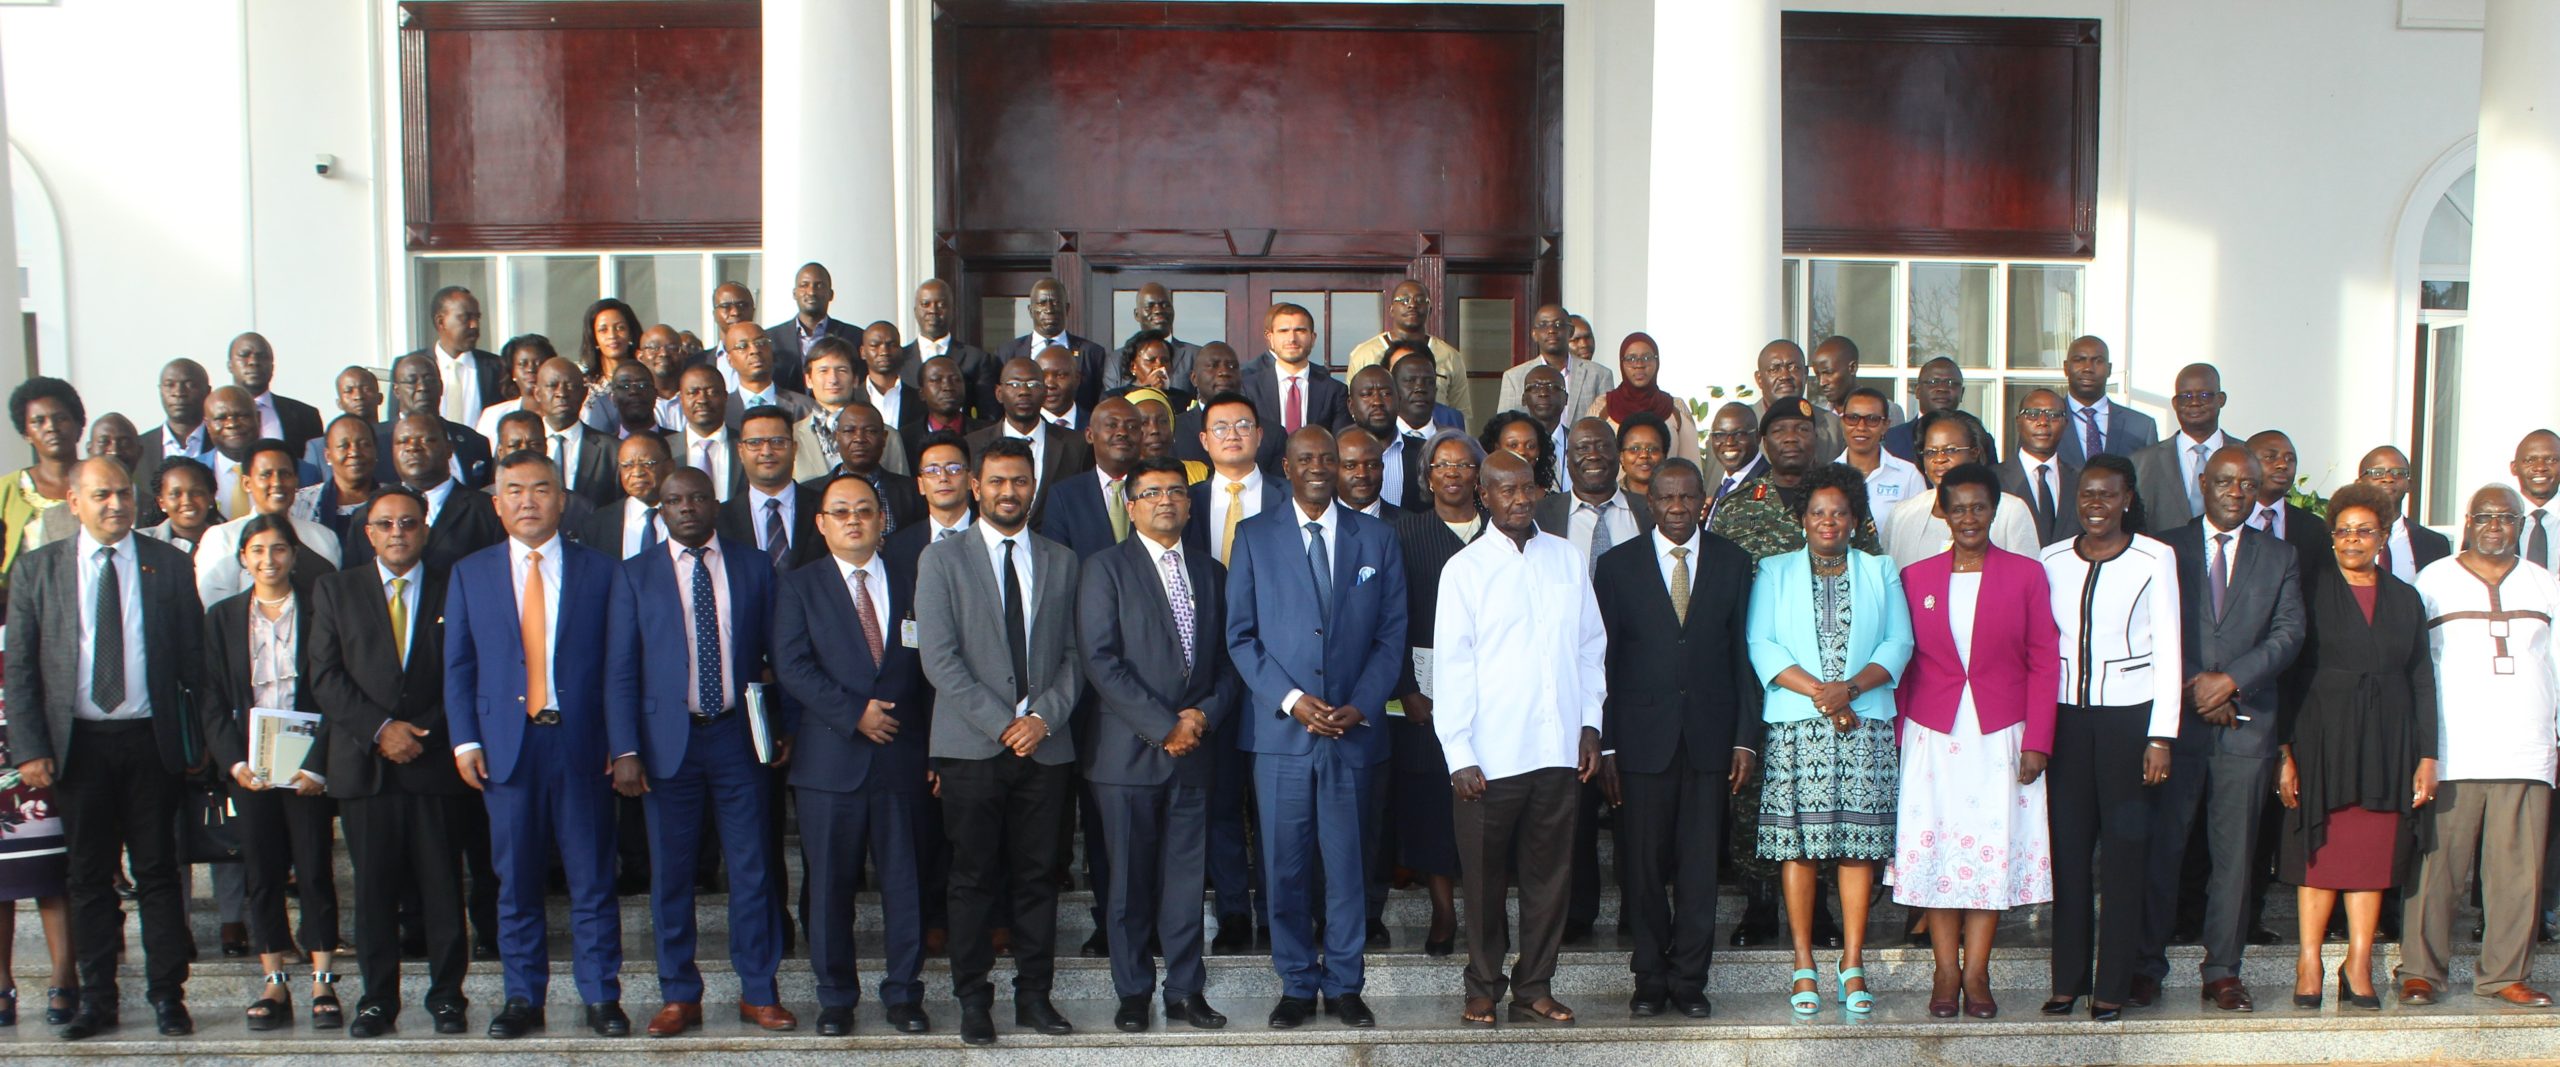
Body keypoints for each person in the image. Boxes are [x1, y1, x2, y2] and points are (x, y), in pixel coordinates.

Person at [5, 457, 206, 1039]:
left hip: (151, 742)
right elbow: (19, 669)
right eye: (101, 495)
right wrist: (29, 749)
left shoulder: (167, 565)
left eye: (123, 494)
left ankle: (170, 996)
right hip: (76, 748)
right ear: (74, 501)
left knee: (159, 873)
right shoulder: (38, 570)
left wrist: (201, 740)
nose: (116, 504)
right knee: (89, 876)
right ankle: (98, 1000)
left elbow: (193, 660)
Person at [444, 453, 636, 1039]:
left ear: (562, 499)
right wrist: (465, 741)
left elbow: (619, 665)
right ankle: (523, 997)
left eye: (540, 489)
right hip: (506, 749)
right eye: (514, 491)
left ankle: (602, 995)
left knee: (593, 879)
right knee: (516, 880)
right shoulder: (470, 573)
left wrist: (624, 744)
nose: (528, 501)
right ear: (496, 502)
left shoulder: (601, 571)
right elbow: (459, 665)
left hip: (581, 746)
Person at [1227, 426, 1407, 1030]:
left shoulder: (1377, 538)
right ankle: (1298, 984)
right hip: (1282, 737)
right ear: (1286, 466)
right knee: (1284, 866)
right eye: (1306, 458)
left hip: (1354, 731)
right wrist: (1293, 699)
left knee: (1349, 864)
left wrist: (1361, 704)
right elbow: (1241, 637)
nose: (1318, 467)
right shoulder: (1253, 537)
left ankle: (1347, 984)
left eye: (1327, 458)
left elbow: (1390, 636)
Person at [603, 468, 794, 1036]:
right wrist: (625, 749)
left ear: (715, 503)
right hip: (667, 747)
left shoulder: (755, 566)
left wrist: (782, 726)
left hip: (738, 739)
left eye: (696, 497)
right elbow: (619, 671)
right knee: (672, 875)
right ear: (660, 510)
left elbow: (780, 655)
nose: (686, 508)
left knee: (753, 869)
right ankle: (680, 994)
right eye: (673, 501)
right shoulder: (635, 575)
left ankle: (758, 990)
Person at [914, 437, 1082, 1044]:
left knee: (1039, 877)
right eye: (998, 482)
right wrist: (1002, 723)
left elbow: (1073, 656)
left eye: (1020, 482)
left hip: (1046, 747)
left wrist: (1042, 718)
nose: (1009, 492)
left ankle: (1035, 997)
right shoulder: (942, 560)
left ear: (1032, 488)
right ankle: (973, 1000)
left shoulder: (1062, 560)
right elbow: (939, 659)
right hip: (971, 748)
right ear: (976, 487)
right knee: (972, 877)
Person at [1432, 450, 1604, 1027]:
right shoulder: (1465, 570)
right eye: (1505, 489)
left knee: (1549, 879)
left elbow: (1589, 647)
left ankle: (1534, 986)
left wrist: (1590, 724)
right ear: (1484, 495)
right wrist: (1458, 752)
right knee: (1481, 880)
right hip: (1489, 756)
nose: (1519, 498)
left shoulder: (1567, 559)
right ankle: (1482, 985)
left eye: (1527, 487)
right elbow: (1451, 666)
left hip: (1557, 751)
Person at [1889, 464, 2061, 1019]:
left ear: (1995, 511)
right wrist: (1898, 739)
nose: (1968, 517)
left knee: (1987, 857)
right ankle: (1944, 972)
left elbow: (2043, 660)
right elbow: (1903, 662)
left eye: (1979, 507)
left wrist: (2038, 739)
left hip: (2001, 735)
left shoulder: (2026, 574)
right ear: (1941, 510)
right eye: (1957, 507)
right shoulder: (1915, 577)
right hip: (1932, 735)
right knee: (1941, 852)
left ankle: (1978, 972)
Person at [2139, 446, 2305, 1013]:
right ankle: (2146, 965)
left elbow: (2288, 635)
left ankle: (2223, 971)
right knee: (2163, 850)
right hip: (2175, 727)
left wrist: (2230, 681)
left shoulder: (2280, 556)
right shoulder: (2163, 547)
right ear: (2205, 482)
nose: (2237, 492)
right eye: (2227, 481)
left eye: (2249, 484)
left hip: (2247, 725)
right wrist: (2197, 686)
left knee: (2234, 859)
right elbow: (2146, 630)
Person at [1075, 456, 1237, 1032]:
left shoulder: (1212, 573)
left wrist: (1201, 716)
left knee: (1187, 881)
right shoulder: (1104, 569)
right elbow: (1101, 660)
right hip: (1126, 755)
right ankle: (1133, 992)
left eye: (1175, 492)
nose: (1164, 501)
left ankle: (1186, 991)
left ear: (1190, 505)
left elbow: (1226, 662)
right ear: (1130, 503)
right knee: (1128, 884)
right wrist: (1163, 723)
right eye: (1151, 493)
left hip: (1195, 753)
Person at [772, 472, 936, 1037]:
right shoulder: (799, 586)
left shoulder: (913, 579)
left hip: (901, 759)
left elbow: (930, 667)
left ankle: (904, 994)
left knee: (905, 884)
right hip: (830, 761)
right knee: (829, 889)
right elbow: (791, 665)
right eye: (840, 511)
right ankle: (836, 998)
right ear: (821, 524)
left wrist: (935, 750)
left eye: (865, 510)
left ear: (881, 520)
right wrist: (853, 712)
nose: (853, 520)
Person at [1710, 399, 1877, 948]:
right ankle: (1759, 904)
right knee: (1756, 792)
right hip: (1761, 673)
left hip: (1836, 679)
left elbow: (1869, 584)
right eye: (1779, 429)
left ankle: (1823, 910)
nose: (1791, 438)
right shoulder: (1738, 506)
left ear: (1816, 435)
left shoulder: (1848, 501)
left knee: (1828, 793)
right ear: (1763, 439)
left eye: (1802, 429)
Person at [1593, 457, 1756, 1019]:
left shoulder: (1735, 563)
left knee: (1699, 867)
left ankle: (1689, 979)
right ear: (1650, 503)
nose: (1679, 508)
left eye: (1689, 497)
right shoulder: (1616, 567)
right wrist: (1607, 744)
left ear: (1703, 499)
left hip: (1711, 741)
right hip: (1639, 742)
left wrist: (1744, 739)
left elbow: (1743, 658)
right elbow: (1603, 661)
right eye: (1667, 498)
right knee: (1640, 866)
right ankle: (1649, 977)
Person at [1745, 463, 1910, 1015]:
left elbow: (1899, 643)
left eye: (1839, 512)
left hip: (1865, 727)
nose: (1829, 521)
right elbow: (1761, 644)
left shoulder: (1880, 569)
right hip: (1799, 730)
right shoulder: (1774, 570)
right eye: (1818, 512)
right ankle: (1803, 962)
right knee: (1799, 846)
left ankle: (1854, 961)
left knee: (1857, 848)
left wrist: (1852, 689)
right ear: (1802, 518)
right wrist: (1823, 694)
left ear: (1855, 517)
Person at [307, 486, 471, 1037]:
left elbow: (468, 668)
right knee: (373, 893)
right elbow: (325, 677)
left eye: (408, 523)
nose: (397, 533)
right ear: (368, 532)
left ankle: (448, 997)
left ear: (424, 529)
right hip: (365, 765)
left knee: (443, 889)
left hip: (434, 761)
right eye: (385, 524)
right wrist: (381, 730)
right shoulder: (335, 589)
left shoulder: (457, 585)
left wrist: (423, 730)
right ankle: (377, 1000)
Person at [2276, 481, 2436, 1011]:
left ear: (2384, 536)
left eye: (2364, 531)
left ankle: (2360, 961)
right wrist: (2286, 751)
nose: (2352, 539)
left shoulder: (2405, 597)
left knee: (2370, 851)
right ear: (2332, 537)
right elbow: (2290, 674)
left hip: (2389, 739)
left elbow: (2420, 678)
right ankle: (2309, 960)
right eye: (2343, 530)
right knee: (2321, 852)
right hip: (2321, 734)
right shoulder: (2309, 588)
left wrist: (2427, 756)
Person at [2398, 485, 2558, 1007]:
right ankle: (2422, 970)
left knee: (2518, 872)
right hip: (2452, 747)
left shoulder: (2544, 584)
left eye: (2506, 517)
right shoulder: (2434, 580)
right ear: (2467, 522)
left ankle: (2503, 974)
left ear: (2519, 525)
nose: (2495, 525)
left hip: (2527, 747)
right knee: (2436, 866)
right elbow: (2416, 667)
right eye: (2484, 516)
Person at [2038, 453, 2182, 1021]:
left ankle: (2113, 985)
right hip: (2066, 720)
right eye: (2087, 495)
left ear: (2127, 499)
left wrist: (2161, 735)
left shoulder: (2154, 557)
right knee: (2069, 854)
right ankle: (2067, 981)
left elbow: (2171, 647)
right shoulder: (2051, 559)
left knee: (2124, 856)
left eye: (2108, 495)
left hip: (2130, 720)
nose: (2096, 505)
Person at [198, 515, 342, 1031]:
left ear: (294, 555)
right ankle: (274, 980)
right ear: (242, 557)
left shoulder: (320, 608)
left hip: (307, 763)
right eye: (257, 550)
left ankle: (324, 978)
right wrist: (234, 763)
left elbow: (332, 688)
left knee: (314, 868)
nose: (268, 560)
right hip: (251, 764)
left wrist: (321, 765)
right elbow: (212, 699)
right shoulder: (221, 618)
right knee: (261, 873)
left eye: (279, 549)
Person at [1383, 430, 1486, 961]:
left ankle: (1483, 911)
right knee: (1429, 800)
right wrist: (1405, 688)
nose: (1453, 473)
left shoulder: (1504, 529)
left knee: (1486, 796)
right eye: (1442, 465)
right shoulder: (1405, 532)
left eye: (1465, 465)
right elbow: (1389, 617)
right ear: (1426, 478)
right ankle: (1444, 910)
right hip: (1423, 691)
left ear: (1480, 477)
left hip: (1494, 692)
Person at [1881, 409, 2041, 569]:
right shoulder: (1902, 513)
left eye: (1950, 450)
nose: (1939, 459)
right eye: (1930, 452)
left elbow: (2027, 576)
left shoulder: (2010, 510)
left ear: (1974, 453)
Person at [194, 438, 342, 606]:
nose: (277, 483)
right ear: (247, 483)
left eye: (285, 474)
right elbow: (217, 610)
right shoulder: (222, 537)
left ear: (296, 480)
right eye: (266, 475)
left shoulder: (324, 537)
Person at [967, 356, 1097, 525]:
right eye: (1014, 384)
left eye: (1033, 385)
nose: (1024, 391)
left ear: (1045, 392)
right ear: (999, 393)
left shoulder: (1077, 444)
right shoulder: (973, 444)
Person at [1240, 303, 1348, 473]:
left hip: (1317, 480)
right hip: (1264, 483)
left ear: (1313, 338)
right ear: (1270, 338)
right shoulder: (1248, 388)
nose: (1292, 338)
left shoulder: (1334, 390)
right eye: (1283, 331)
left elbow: (1341, 445)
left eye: (1300, 330)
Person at [1346, 280, 1470, 427]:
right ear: (1391, 309)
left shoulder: (1450, 356)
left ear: (1430, 309)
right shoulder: (1363, 354)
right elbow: (1354, 407)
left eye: (1420, 300)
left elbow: (1459, 411)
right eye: (1404, 300)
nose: (1412, 305)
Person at [2, 378, 87, 590]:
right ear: (25, 433)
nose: (51, 428)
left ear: (78, 425)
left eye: (61, 418)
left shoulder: (102, 481)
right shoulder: (7, 489)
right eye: (38, 421)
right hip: (21, 604)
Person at [2130, 363, 2232, 535]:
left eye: (2204, 395)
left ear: (2221, 399)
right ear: (2175, 403)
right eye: (2186, 397)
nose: (2194, 403)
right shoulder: (2141, 462)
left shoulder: (2247, 456)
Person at [715, 406, 824, 569]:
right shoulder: (720, 518)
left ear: (794, 449)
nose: (766, 451)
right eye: (755, 443)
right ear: (740, 451)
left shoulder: (823, 507)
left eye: (778, 442)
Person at [1039, 396, 1144, 559]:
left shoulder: (1158, 492)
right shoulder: (1064, 496)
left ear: (1142, 436)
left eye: (1132, 426)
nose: (1123, 432)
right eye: (1111, 425)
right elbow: (1057, 564)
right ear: (1089, 435)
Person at [377, 352, 496, 490]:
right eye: (412, 381)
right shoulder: (376, 440)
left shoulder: (474, 441)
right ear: (396, 391)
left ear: (441, 387)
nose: (422, 387)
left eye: (429, 380)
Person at [996, 278, 1111, 414]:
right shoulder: (1007, 353)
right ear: (1030, 310)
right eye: (1042, 303)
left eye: (1056, 303)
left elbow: (1099, 401)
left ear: (1067, 309)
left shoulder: (1091, 352)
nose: (1049, 309)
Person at [900, 279, 1001, 422]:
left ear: (953, 310)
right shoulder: (900, 359)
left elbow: (989, 415)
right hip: (911, 441)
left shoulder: (976, 359)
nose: (933, 310)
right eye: (925, 304)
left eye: (941, 304)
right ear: (915, 311)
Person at [530, 358, 621, 509]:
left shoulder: (611, 450)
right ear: (537, 393)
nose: (562, 393)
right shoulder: (524, 446)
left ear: (584, 393)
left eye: (570, 386)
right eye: (552, 386)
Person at [2056, 336, 2159, 467]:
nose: (2088, 368)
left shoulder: (2141, 427)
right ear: (2066, 368)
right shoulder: (2044, 421)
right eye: (2079, 360)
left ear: (2109, 369)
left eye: (2097, 361)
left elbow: (2150, 480)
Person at [1497, 304, 1615, 418]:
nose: (1551, 330)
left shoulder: (1599, 375)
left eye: (1558, 324)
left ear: (1571, 331)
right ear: (1534, 334)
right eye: (1543, 325)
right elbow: (1505, 426)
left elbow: (1606, 427)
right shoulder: (1513, 377)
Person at [2355, 445, 2452, 582]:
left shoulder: (2435, 544)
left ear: (2409, 485)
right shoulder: (2341, 539)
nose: (2388, 478)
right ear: (2359, 484)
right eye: (2377, 473)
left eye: (2398, 473)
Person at [412, 286, 503, 430]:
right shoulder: (411, 366)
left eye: (477, 318)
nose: (474, 325)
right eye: (465, 318)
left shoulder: (496, 367)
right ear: (441, 322)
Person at [224, 332, 327, 459]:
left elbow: (316, 470)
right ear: (229, 366)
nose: (254, 361)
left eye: (262, 356)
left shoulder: (305, 416)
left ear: (272, 366)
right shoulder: (211, 416)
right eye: (244, 355)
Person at [2001, 388, 2082, 546]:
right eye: (2032, 414)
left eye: (2053, 415)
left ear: (2066, 424)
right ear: (2018, 421)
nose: (2043, 421)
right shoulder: (1993, 479)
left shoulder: (2081, 480)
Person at [762, 262, 853, 396]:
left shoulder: (853, 336)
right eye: (804, 285)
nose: (811, 292)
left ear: (831, 294)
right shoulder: (770, 338)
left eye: (819, 285)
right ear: (794, 293)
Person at [1838, 387, 1925, 524]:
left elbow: (1917, 530)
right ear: (1842, 422)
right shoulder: (1827, 475)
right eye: (1852, 418)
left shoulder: (1909, 476)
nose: (1861, 427)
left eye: (1872, 419)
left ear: (1885, 425)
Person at [579, 432, 672, 558]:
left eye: (647, 464)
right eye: (627, 466)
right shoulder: (596, 525)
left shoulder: (689, 515)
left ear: (670, 466)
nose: (637, 473)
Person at [1883, 358, 1995, 462]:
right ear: (1918, 391)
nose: (1942, 388)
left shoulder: (1980, 439)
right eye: (1933, 382)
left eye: (1951, 383)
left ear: (1962, 393)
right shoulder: (1892, 438)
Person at [135, 358, 216, 501]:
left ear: (208, 391)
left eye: (189, 384)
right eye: (170, 385)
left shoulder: (222, 444)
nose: (179, 392)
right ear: (160, 390)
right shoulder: (139, 449)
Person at [1752, 340, 1844, 464]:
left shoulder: (1834, 426)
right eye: (1774, 369)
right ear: (1759, 379)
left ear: (1805, 374)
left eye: (1793, 367)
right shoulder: (1742, 424)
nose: (1785, 376)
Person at [1108, 284, 1205, 401]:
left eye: (1165, 305)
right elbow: (1110, 407)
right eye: (1150, 306)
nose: (1158, 310)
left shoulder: (1196, 354)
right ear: (1137, 314)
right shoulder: (1114, 360)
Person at [719, 321, 817, 434]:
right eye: (742, 346)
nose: (754, 350)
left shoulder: (806, 407)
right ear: (729, 360)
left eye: (760, 343)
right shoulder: (721, 411)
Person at [300, 415, 382, 543]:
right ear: (327, 456)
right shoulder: (301, 503)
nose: (354, 452)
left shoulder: (395, 499)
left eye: (364, 444)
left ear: (375, 451)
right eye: (344, 446)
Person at [673, 364, 739, 503]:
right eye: (693, 392)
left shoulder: (745, 444)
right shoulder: (666, 450)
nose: (702, 400)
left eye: (712, 392)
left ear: (725, 397)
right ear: (681, 398)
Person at [1810, 336, 1903, 430]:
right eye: (1818, 375)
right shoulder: (1816, 416)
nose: (1822, 382)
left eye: (1828, 373)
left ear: (1853, 368)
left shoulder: (1887, 410)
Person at [473, 336, 551, 444]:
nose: (531, 369)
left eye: (538, 363)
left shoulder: (567, 413)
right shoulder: (493, 415)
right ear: (512, 372)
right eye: (523, 364)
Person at [577, 298, 643, 414]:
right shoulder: (585, 386)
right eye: (603, 330)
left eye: (620, 328)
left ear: (631, 333)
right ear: (594, 338)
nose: (612, 335)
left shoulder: (646, 379)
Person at [140, 458, 220, 552]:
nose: (187, 501)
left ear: (211, 498)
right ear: (161, 503)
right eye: (176, 494)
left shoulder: (231, 540)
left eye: (196, 493)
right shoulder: (141, 543)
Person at [1704, 403, 1764, 527]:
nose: (1729, 442)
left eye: (1739, 434)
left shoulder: (1769, 486)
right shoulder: (1725, 486)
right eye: (1720, 435)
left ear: (1758, 437)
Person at [1479, 411, 1556, 497]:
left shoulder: (1554, 501)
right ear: (1496, 449)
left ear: (1539, 450)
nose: (1522, 451)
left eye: (1531, 446)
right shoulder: (1476, 500)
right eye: (1513, 445)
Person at [2514, 429, 2557, 570]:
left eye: (2551, 460)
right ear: (2514, 468)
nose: (2540, 467)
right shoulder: (2492, 521)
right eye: (2530, 460)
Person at [1616, 414, 1673, 499]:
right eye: (1635, 449)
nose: (1644, 455)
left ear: (1664, 456)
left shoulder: (1676, 500)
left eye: (1652, 449)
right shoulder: (1609, 498)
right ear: (1621, 457)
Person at [1038, 347, 1091, 432]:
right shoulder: (1021, 426)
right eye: (1042, 376)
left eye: (1060, 375)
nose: (1050, 385)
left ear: (1077, 379)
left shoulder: (1095, 425)